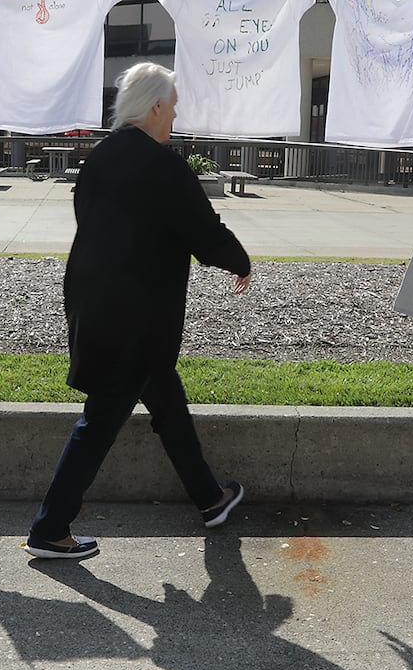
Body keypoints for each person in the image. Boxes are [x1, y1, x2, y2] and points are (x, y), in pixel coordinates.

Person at [25, 62, 252, 561]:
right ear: (153, 107)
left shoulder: (101, 158)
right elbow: (202, 228)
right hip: (137, 314)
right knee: (100, 420)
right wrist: (240, 261)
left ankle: (210, 499)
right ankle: (50, 528)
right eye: (171, 104)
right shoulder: (161, 165)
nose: (175, 113)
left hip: (96, 300)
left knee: (164, 398)